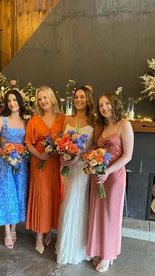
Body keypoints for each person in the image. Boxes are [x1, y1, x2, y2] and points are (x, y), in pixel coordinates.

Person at [86, 92, 134, 272]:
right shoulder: (103, 126)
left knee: (111, 216)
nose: (104, 108)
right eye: (101, 106)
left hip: (113, 177)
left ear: (114, 104)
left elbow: (128, 155)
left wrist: (107, 171)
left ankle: (109, 254)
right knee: (98, 214)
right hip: (99, 175)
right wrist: (87, 157)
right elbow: (97, 148)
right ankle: (99, 249)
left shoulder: (124, 125)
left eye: (107, 104)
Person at [56, 86, 95, 264]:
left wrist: (78, 156)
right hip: (66, 166)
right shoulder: (67, 120)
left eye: (82, 97)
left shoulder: (94, 121)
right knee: (66, 202)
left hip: (81, 169)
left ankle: (77, 248)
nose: (78, 100)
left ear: (88, 100)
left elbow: (94, 146)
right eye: (76, 97)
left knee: (77, 202)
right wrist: (63, 154)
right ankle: (65, 245)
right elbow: (61, 141)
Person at [25, 85, 65, 254]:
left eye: (45, 97)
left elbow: (67, 140)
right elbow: (27, 142)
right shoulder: (34, 120)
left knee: (53, 197)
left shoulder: (63, 119)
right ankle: (39, 236)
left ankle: (48, 230)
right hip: (40, 163)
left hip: (56, 163)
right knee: (42, 198)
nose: (42, 101)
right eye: (39, 99)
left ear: (52, 98)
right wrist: (39, 156)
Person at [0, 89, 28, 249]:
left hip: (21, 164)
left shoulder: (26, 122)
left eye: (14, 100)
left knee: (18, 194)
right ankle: (6, 230)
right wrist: (6, 156)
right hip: (5, 163)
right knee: (6, 194)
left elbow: (27, 144)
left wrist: (22, 153)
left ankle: (14, 227)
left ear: (20, 102)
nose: (12, 103)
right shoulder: (1, 120)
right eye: (9, 100)